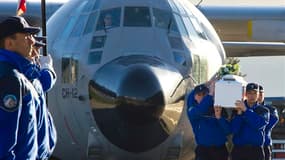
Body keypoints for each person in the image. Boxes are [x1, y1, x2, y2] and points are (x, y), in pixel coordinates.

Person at [0, 16, 40, 159]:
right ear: (9, 43)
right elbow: (4, 139)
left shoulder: (14, 74)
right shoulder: (11, 78)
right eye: (26, 36)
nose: (33, 41)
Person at [25, 36, 57, 160]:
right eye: (34, 49)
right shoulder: (23, 72)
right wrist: (47, 69)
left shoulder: (31, 70)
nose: (37, 54)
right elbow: (43, 83)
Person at [187, 83, 231, 160]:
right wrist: (209, 94)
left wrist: (219, 118)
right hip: (203, 151)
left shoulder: (219, 109)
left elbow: (228, 130)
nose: (201, 97)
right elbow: (200, 109)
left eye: (204, 94)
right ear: (194, 97)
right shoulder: (193, 110)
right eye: (199, 94)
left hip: (220, 150)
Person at [231, 83, 270, 160]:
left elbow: (258, 124)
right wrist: (239, 115)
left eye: (255, 93)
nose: (252, 96)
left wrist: (245, 110)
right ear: (245, 94)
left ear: (258, 95)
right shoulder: (236, 110)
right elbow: (234, 130)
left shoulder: (264, 110)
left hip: (256, 151)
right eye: (249, 93)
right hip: (239, 150)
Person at [258, 85, 279, 160]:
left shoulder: (271, 109)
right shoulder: (247, 109)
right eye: (257, 93)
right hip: (249, 147)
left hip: (265, 144)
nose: (259, 96)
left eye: (261, 93)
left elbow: (266, 126)